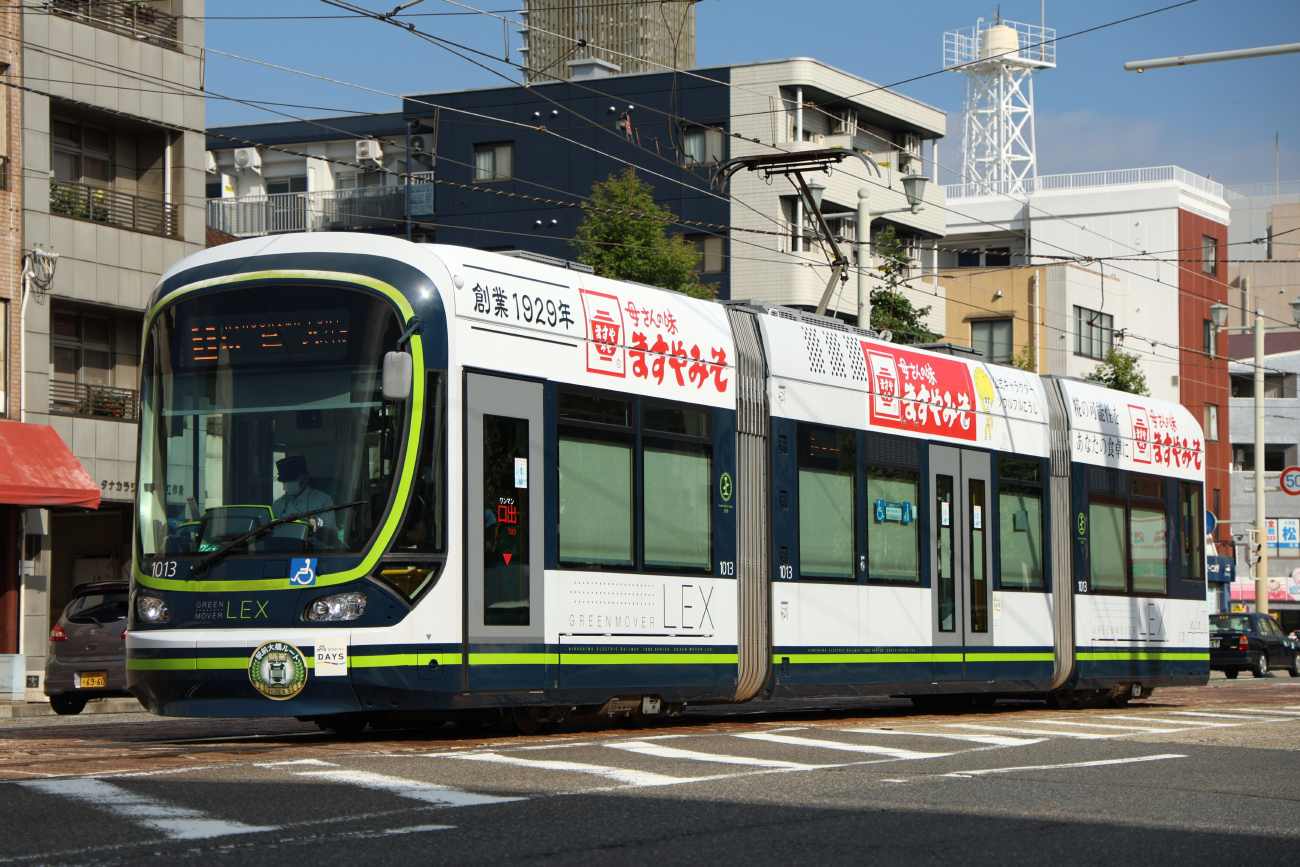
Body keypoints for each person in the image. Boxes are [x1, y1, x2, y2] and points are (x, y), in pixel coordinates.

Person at [272, 455, 335, 533]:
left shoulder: (323, 500)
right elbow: (267, 525)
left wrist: (316, 523)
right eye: (284, 479)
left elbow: (330, 530)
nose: (287, 482)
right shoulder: (280, 503)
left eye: (292, 478)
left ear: (305, 477)